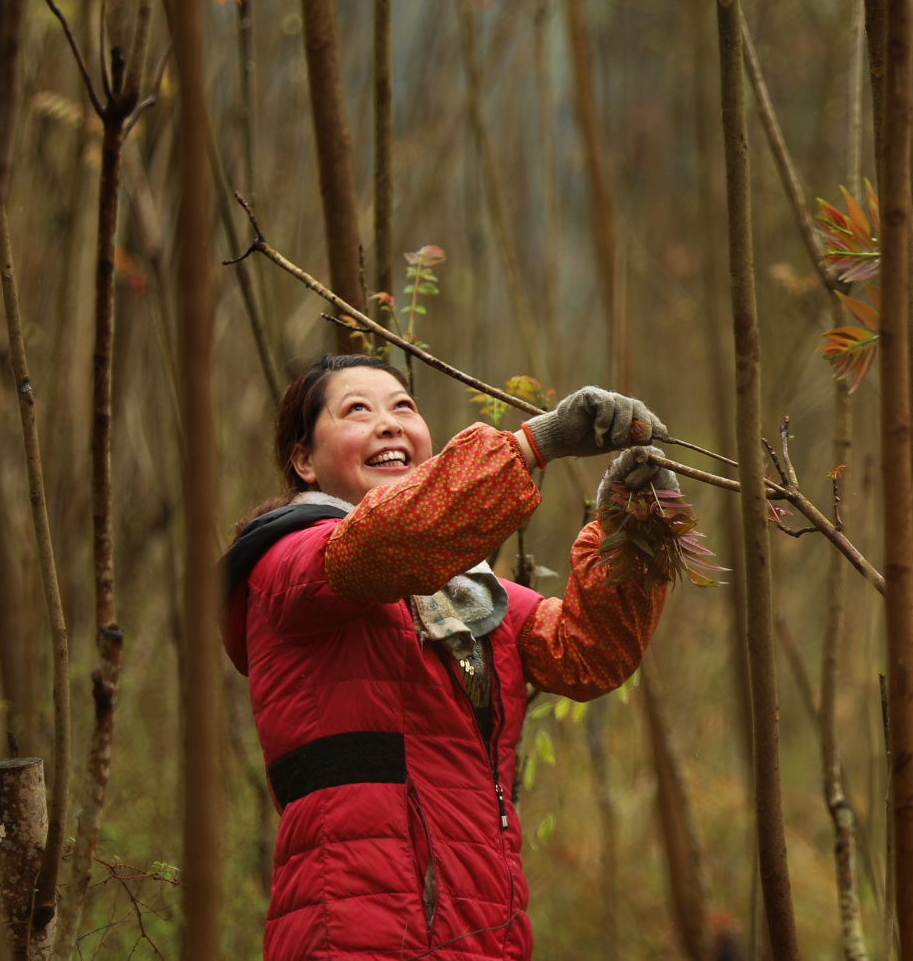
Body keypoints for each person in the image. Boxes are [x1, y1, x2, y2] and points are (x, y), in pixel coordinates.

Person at [220, 353, 682, 960]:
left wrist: (635, 525)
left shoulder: (467, 597)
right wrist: (534, 444)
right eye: (357, 410)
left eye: (403, 407)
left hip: (485, 930)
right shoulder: (289, 564)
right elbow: (386, 544)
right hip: (356, 931)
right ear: (304, 462)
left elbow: (586, 652)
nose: (389, 423)